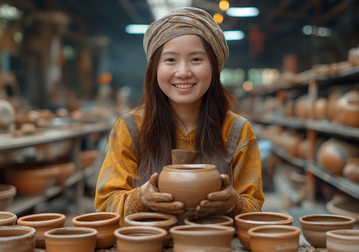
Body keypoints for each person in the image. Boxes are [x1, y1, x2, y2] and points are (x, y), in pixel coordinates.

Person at [95, 7, 264, 224]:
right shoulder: (130, 128)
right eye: (170, 60)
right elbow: (105, 206)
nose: (183, 72)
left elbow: (255, 210)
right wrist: (140, 199)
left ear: (214, 67)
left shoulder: (237, 131)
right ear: (154, 68)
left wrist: (235, 203)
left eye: (196, 59)